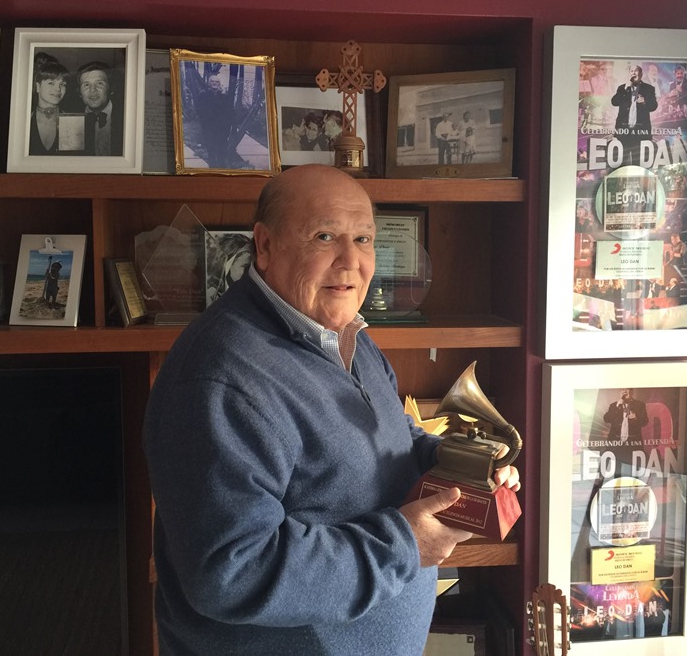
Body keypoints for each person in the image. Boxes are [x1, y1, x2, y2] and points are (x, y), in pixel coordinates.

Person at [143, 164, 521, 655]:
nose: (350, 262)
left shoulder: (346, 334)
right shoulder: (220, 378)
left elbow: (393, 439)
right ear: (265, 244)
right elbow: (230, 571)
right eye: (324, 236)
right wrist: (403, 547)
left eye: (363, 238)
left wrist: (458, 463)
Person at [611, 65, 657, 165]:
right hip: (624, 133)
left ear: (641, 74)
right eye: (631, 71)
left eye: (636, 71)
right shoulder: (622, 88)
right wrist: (626, 87)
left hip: (640, 133)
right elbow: (614, 102)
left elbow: (653, 106)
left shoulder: (649, 89)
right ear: (629, 74)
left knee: (639, 165)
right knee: (620, 164)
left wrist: (645, 101)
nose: (633, 73)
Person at [76, 60, 123, 156]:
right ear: (79, 93)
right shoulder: (71, 120)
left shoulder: (126, 116)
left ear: (111, 89)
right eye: (86, 85)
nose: (92, 90)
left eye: (99, 83)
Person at [29, 52, 70, 155]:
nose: (58, 89)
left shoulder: (73, 123)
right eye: (51, 83)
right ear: (38, 87)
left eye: (63, 84)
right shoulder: (23, 122)